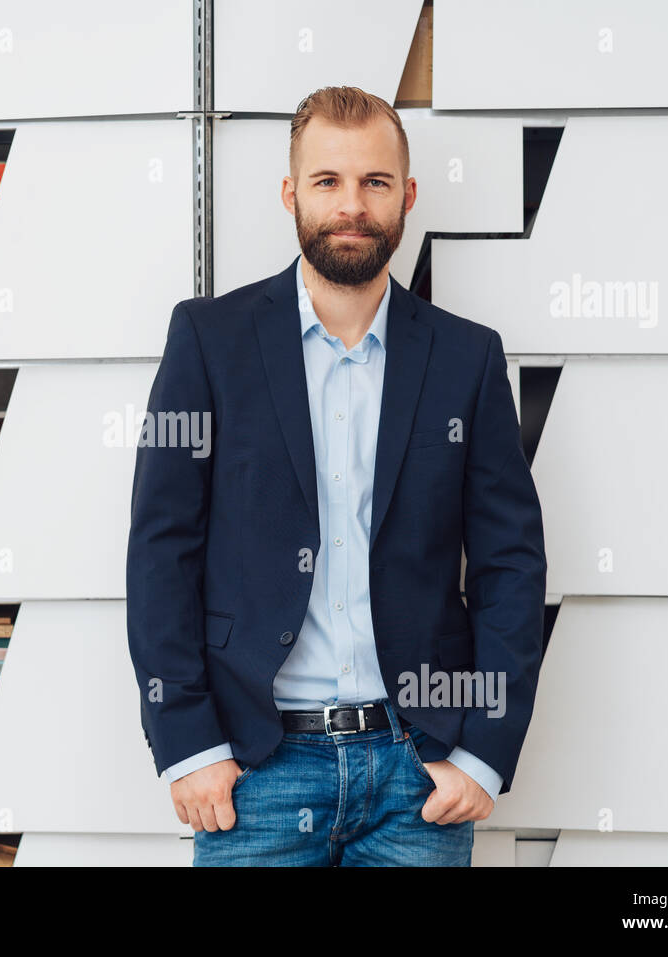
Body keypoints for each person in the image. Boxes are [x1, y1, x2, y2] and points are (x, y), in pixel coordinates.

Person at [126, 86, 548, 866]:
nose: (351, 204)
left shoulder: (468, 358)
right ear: (291, 194)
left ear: (407, 196)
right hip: (254, 769)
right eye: (327, 181)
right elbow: (160, 552)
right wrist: (188, 743)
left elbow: (510, 565)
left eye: (375, 183)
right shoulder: (209, 342)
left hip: (416, 769)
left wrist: (483, 750)